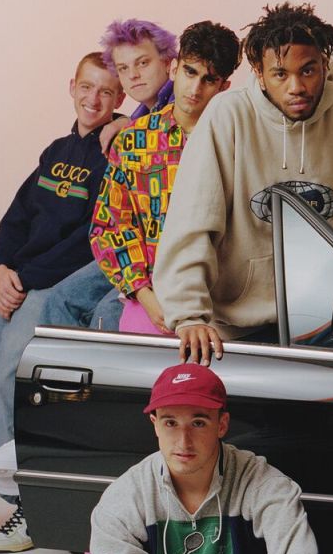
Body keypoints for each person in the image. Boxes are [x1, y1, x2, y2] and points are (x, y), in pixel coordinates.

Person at [152, 3, 333, 365]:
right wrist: (188, 315)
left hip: (329, 323)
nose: (297, 87)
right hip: (238, 327)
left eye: (308, 71)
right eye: (280, 74)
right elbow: (193, 222)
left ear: (325, 65)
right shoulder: (228, 115)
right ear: (259, 72)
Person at [0, 53, 123, 553]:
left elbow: (93, 239)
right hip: (16, 283)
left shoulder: (117, 152)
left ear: (119, 99)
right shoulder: (56, 151)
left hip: (48, 286)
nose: (93, 99)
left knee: (11, 385)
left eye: (106, 92)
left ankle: (26, 506)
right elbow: (17, 217)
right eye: (86, 87)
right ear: (72, 86)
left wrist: (25, 278)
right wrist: (1, 268)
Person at [89, 363, 319, 554]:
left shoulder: (262, 484)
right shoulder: (125, 498)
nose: (183, 441)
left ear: (222, 424)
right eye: (170, 423)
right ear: (155, 424)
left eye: (198, 423)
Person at [89, 20, 241, 335]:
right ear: (174, 68)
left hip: (219, 307)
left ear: (224, 86)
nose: (195, 89)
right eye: (190, 72)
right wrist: (143, 294)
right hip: (150, 299)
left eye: (209, 80)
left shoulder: (237, 141)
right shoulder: (135, 138)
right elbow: (110, 224)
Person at [42, 18, 180, 332]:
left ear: (168, 63)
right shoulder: (137, 119)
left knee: (103, 313)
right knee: (61, 298)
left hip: (157, 252)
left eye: (142, 63)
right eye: (123, 68)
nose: (133, 75)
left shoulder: (180, 109)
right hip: (128, 243)